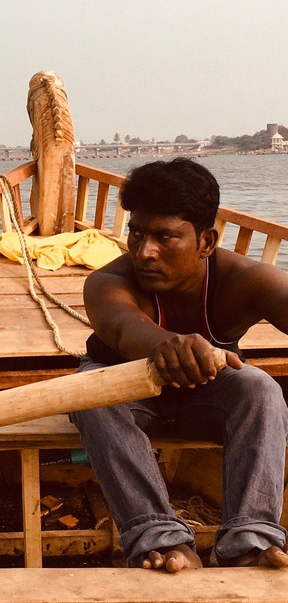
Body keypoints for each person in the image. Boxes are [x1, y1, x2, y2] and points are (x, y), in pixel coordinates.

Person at [73, 158, 288, 572]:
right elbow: (121, 328)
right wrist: (168, 346)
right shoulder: (107, 282)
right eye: (135, 234)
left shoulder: (246, 279)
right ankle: (159, 538)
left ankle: (249, 540)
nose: (144, 252)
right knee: (90, 391)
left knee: (261, 388)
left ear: (206, 242)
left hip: (204, 401)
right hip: (127, 404)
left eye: (164, 237)